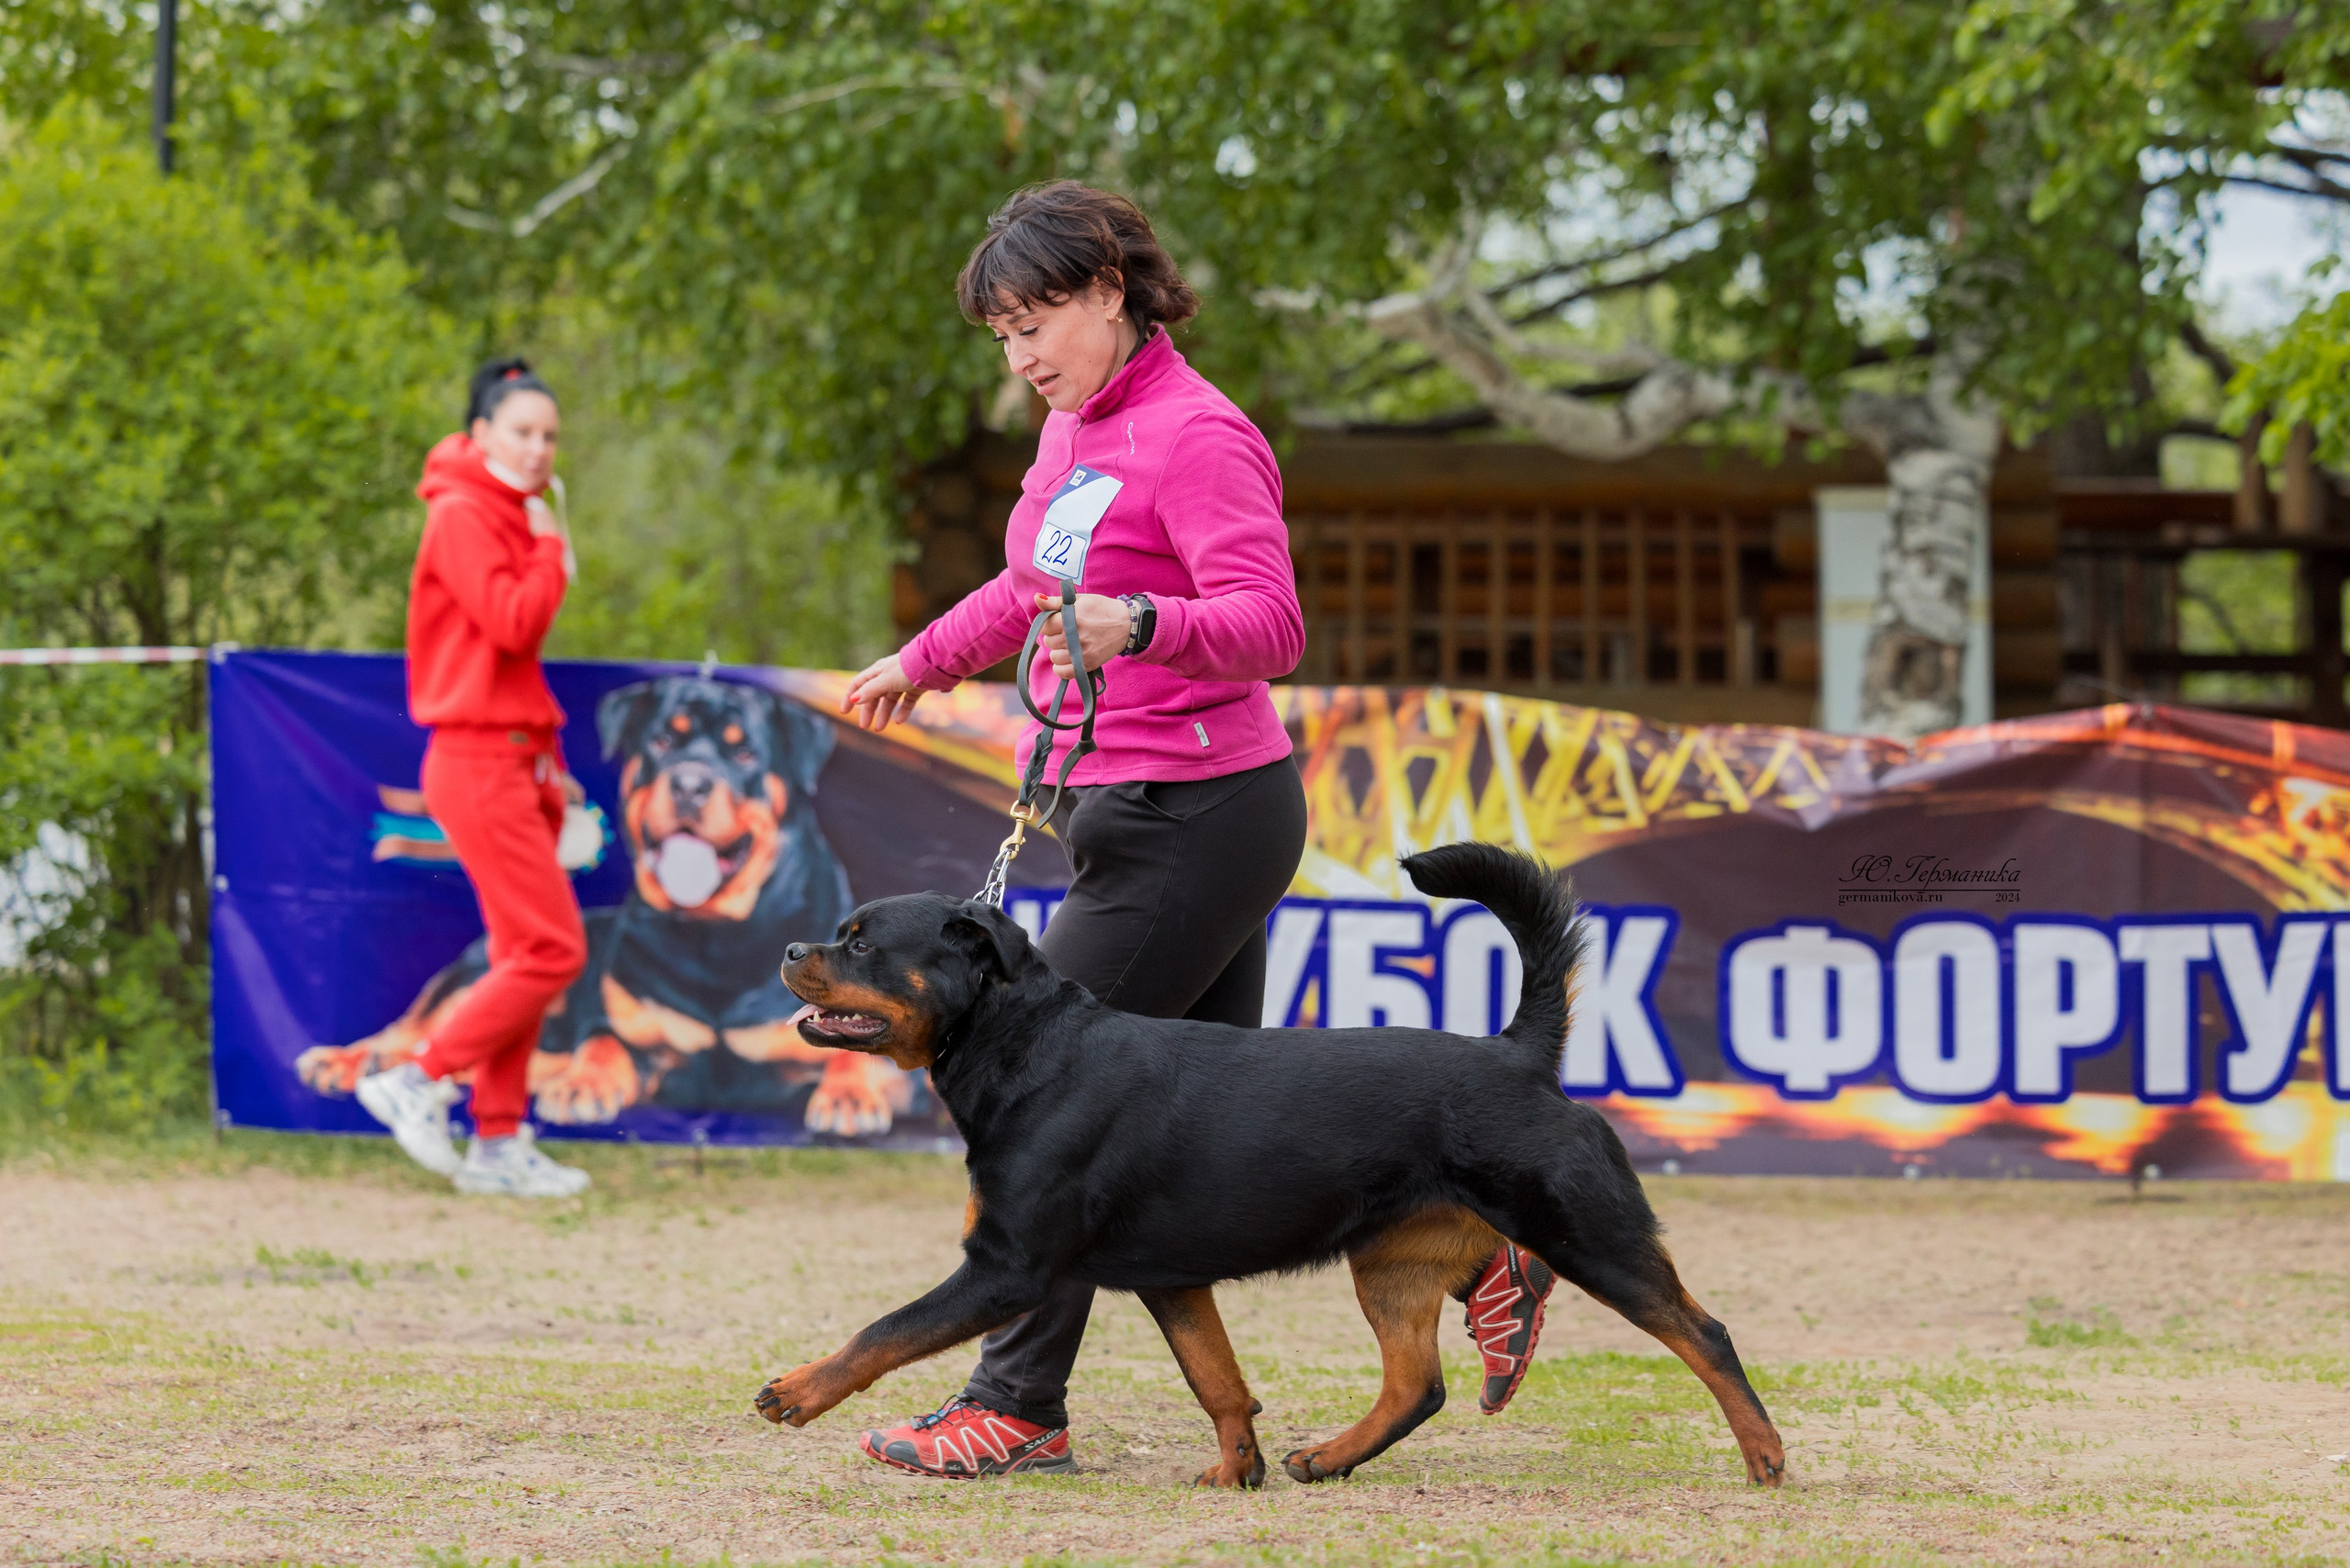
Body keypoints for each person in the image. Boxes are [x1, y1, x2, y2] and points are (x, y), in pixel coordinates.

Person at [836, 181, 1554, 1478]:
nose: (1022, 355)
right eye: (1000, 335)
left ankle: (1018, 1401)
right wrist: (925, 658)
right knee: (1209, 1147)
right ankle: (1481, 1247)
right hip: (1129, 811)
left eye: (1037, 320)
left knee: (1050, 1111)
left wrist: (1147, 626)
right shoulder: (1068, 434)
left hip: (1199, 815)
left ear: (1110, 290)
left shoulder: (1200, 434)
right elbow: (1027, 584)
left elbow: (1269, 625)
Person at [356, 357, 593, 1200]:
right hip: (475, 757)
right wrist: (547, 549)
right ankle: (419, 1077)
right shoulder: (464, 512)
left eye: (549, 436)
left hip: (514, 753)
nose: (538, 449)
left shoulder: (507, 510)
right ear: (482, 433)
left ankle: (498, 1141)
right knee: (553, 948)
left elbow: (513, 658)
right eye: (522, 432)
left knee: (520, 950)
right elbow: (512, 621)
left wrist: (552, 768)